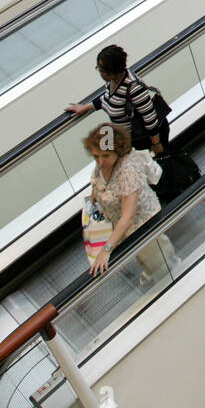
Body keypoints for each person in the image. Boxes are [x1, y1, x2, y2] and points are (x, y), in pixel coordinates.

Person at [83, 123, 176, 283]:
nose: (99, 161)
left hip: (141, 224)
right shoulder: (104, 163)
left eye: (104, 156)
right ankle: (152, 270)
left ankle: (168, 276)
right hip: (121, 224)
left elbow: (128, 216)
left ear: (117, 151)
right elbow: (99, 181)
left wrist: (106, 250)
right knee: (142, 254)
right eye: (96, 156)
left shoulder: (128, 171)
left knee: (155, 253)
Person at [66, 44, 167, 156]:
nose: (100, 72)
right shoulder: (113, 82)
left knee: (157, 168)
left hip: (145, 140)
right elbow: (108, 98)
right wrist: (85, 107)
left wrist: (156, 145)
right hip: (132, 140)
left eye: (102, 69)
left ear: (113, 70)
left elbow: (150, 118)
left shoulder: (134, 88)